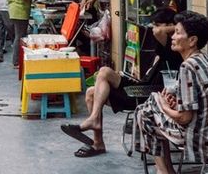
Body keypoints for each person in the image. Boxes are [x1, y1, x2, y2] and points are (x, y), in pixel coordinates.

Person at [60, 8, 180, 158]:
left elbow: (158, 32)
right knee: (103, 73)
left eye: (157, 24)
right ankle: (95, 124)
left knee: (92, 92)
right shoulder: (162, 45)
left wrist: (179, 25)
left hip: (150, 94)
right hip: (142, 86)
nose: (152, 28)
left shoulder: (174, 47)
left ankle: (97, 140)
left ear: (170, 25)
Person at [134, 11, 208, 173]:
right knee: (151, 105)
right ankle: (164, 170)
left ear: (192, 40)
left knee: (146, 111)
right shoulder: (207, 59)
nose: (172, 37)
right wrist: (172, 102)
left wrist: (164, 106)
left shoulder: (187, 67)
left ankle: (164, 171)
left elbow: (184, 118)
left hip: (200, 139)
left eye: (177, 33)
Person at [7, 0, 44, 67]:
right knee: (20, 36)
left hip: (16, 10)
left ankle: (18, 60)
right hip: (19, 10)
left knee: (20, 35)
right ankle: (16, 61)